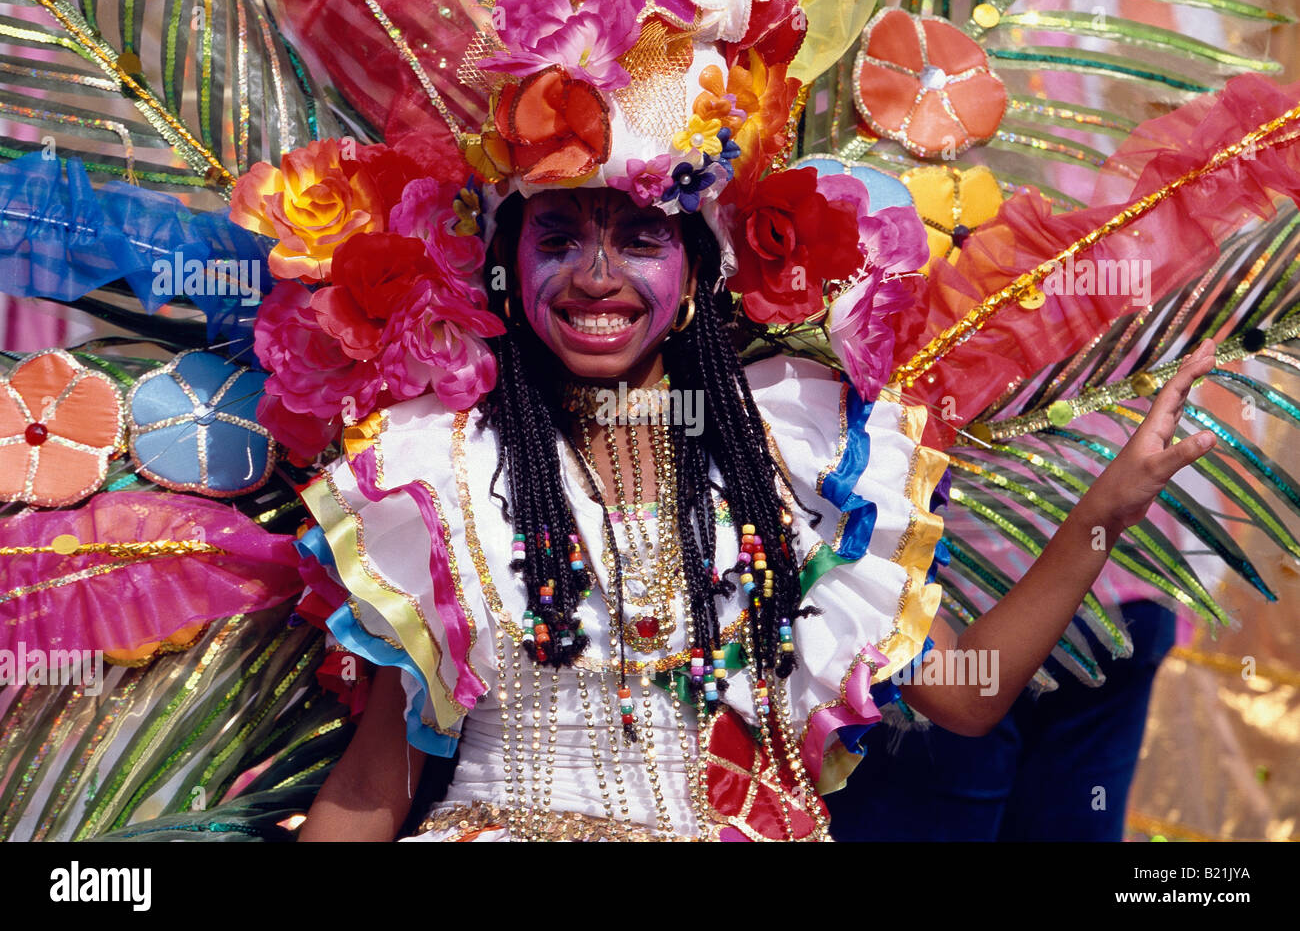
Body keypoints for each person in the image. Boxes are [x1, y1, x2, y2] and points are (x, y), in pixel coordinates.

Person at [292, 180, 1218, 841]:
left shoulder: (788, 458)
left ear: (696, 272)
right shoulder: (443, 468)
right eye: (560, 237)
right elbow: (380, 776)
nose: (596, 274)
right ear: (508, 261)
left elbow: (964, 698)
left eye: (641, 238)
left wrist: (1107, 511)